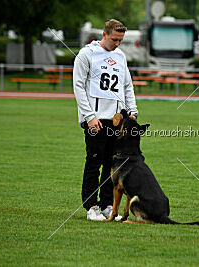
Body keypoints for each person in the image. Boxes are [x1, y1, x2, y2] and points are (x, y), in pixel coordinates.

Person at [73, 19, 138, 221]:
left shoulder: (120, 57)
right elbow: (78, 86)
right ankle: (91, 207)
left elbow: (127, 86)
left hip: (116, 122)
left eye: (121, 40)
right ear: (104, 34)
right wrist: (89, 116)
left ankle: (108, 205)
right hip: (96, 120)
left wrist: (133, 112)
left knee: (112, 165)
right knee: (94, 163)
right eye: (114, 39)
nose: (117, 43)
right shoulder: (86, 54)